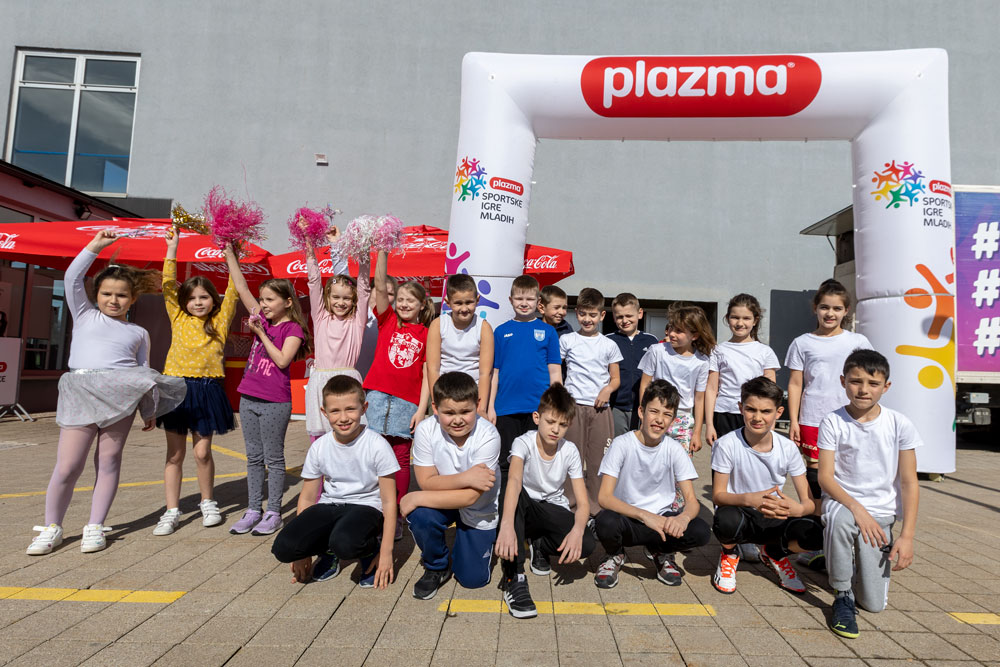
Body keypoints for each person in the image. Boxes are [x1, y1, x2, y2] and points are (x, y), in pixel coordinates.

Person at [27, 231, 185, 555]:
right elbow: (72, 277)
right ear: (95, 294)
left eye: (122, 295)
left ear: (133, 298)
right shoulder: (84, 315)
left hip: (121, 398)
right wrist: (95, 247)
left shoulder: (138, 332)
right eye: (107, 294)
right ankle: (51, 527)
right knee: (68, 465)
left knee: (109, 460)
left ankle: (95, 525)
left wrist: (149, 409)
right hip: (80, 394)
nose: (114, 300)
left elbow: (143, 373)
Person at [818, 349, 920, 639]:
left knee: (874, 605)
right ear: (843, 381)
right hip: (842, 503)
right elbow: (825, 477)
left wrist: (907, 536)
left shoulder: (899, 423)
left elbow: (909, 482)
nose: (863, 389)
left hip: (881, 513)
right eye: (856, 381)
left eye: (873, 383)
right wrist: (857, 509)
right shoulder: (833, 421)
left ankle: (840, 561)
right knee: (840, 522)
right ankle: (842, 593)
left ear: (886, 386)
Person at [270, 376, 398, 589]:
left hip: (366, 507)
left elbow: (389, 501)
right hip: (330, 505)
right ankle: (328, 553)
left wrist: (386, 552)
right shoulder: (319, 447)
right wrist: (302, 550)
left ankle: (369, 551)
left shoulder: (377, 445)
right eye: (335, 411)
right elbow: (308, 497)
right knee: (285, 547)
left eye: (350, 409)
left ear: (364, 408)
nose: (343, 418)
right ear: (324, 412)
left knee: (345, 543)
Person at [153, 227, 239, 536]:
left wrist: (232, 254)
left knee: (202, 453)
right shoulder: (178, 317)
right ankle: (171, 510)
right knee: (175, 455)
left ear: (214, 301)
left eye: (204, 297)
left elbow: (234, 289)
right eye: (191, 298)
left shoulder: (220, 320)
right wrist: (172, 249)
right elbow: (167, 284)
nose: (198, 302)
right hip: (176, 389)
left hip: (207, 390)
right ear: (183, 301)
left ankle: (208, 502)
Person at [785, 279, 872, 570]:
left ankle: (845, 545)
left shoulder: (858, 342)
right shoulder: (802, 343)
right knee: (817, 485)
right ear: (815, 309)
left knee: (848, 479)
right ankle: (817, 546)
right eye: (824, 307)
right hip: (813, 421)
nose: (830, 313)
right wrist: (794, 420)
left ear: (846, 311)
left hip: (850, 421)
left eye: (836, 308)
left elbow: (870, 380)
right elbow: (795, 384)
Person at [593, 380, 711, 589]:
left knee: (700, 530)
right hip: (628, 518)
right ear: (641, 412)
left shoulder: (674, 449)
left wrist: (683, 518)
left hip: (661, 521)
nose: (659, 420)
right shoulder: (622, 444)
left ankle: (660, 552)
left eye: (667, 414)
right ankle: (614, 554)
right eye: (654, 411)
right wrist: (645, 516)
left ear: (673, 420)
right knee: (605, 521)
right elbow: (604, 497)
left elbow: (692, 501)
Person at [710, 377, 823, 595]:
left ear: (778, 413)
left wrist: (798, 509)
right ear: (740, 408)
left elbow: (809, 503)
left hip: (773, 514)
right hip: (741, 512)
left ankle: (775, 553)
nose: (758, 417)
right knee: (725, 521)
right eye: (751, 409)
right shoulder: (726, 444)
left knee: (816, 533)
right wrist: (750, 499)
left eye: (766, 411)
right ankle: (729, 553)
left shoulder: (788, 448)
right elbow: (718, 495)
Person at [225, 245, 308, 536]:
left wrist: (261, 333)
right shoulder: (261, 317)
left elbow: (283, 360)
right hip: (248, 397)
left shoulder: (292, 329)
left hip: (275, 401)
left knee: (273, 458)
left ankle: (273, 512)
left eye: (270, 299)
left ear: (287, 301)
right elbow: (241, 287)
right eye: (262, 299)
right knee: (253, 458)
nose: (264, 304)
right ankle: (252, 510)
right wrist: (229, 252)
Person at [494, 383, 595, 618]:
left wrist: (578, 531)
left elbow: (583, 503)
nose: (555, 429)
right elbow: (515, 480)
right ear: (537, 418)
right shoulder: (523, 442)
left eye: (562, 424)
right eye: (550, 422)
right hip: (525, 508)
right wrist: (506, 525)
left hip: (551, 509)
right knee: (511, 488)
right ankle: (514, 576)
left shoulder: (569, 450)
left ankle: (540, 544)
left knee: (587, 544)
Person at [402, 372, 501, 600]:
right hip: (445, 499)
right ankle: (437, 565)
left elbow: (470, 498)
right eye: (449, 413)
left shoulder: (488, 435)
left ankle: (469, 545)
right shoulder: (426, 429)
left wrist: (416, 497)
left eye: (465, 411)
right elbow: (426, 481)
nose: (457, 420)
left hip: (478, 508)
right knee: (421, 516)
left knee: (472, 580)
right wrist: (467, 478)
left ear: (477, 405)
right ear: (435, 408)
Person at [362, 250, 434, 539]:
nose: (403, 304)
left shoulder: (428, 333)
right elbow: (380, 286)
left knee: (401, 459)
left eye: (410, 300)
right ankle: (373, 509)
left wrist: (422, 409)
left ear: (421, 305)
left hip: (407, 404)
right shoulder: (388, 319)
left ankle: (398, 516)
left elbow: (428, 374)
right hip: (377, 398)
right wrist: (382, 251)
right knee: (373, 456)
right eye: (400, 299)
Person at [489, 275, 562, 497]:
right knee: (506, 461)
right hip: (505, 409)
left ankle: (533, 508)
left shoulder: (548, 332)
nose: (524, 303)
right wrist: (490, 407)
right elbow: (494, 373)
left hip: (538, 409)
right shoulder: (500, 331)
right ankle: (506, 506)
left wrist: (557, 405)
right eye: (519, 298)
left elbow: (555, 371)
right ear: (510, 300)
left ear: (538, 302)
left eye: (529, 299)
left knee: (536, 461)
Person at [302, 224, 370, 443]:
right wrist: (309, 243)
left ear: (354, 301)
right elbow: (314, 282)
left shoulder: (356, 320)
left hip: (348, 381)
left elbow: (364, 286)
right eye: (336, 297)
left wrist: (363, 250)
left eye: (347, 298)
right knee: (320, 440)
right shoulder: (321, 317)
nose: (341, 302)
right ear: (328, 298)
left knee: (351, 438)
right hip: (320, 381)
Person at [559, 288, 622, 515]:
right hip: (573, 408)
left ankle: (596, 508)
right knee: (571, 457)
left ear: (602, 315)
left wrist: (607, 390)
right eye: (583, 314)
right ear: (576, 313)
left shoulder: (609, 345)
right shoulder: (567, 340)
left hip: (600, 409)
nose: (587, 319)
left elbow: (616, 378)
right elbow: (555, 371)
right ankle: (570, 505)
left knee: (598, 461)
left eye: (593, 315)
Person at [638, 304, 715, 456]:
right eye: (671, 328)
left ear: (694, 335)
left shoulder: (702, 362)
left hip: (683, 421)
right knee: (651, 461)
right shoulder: (657, 351)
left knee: (680, 465)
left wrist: (697, 433)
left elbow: (699, 398)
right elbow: (644, 385)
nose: (672, 333)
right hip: (655, 414)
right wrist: (644, 415)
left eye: (679, 331)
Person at [705, 294, 780, 445]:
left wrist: (771, 424)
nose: (740, 323)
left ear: (755, 320)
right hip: (724, 413)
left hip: (754, 413)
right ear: (728, 318)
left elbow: (771, 392)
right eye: (735, 317)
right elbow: (711, 389)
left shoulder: (765, 352)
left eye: (746, 318)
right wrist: (709, 425)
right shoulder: (718, 350)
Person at [426, 273, 494, 419]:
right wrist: (436, 402)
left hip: (472, 395)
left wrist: (481, 407)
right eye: (458, 303)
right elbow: (433, 369)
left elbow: (485, 373)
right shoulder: (438, 325)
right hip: (443, 392)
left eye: (469, 302)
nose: (464, 308)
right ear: (447, 302)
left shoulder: (484, 328)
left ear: (477, 300)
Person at [607, 292, 659, 437]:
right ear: (614, 317)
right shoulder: (608, 341)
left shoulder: (651, 341)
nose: (625, 320)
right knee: (617, 445)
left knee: (640, 445)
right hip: (616, 407)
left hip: (643, 406)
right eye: (620, 317)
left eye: (629, 315)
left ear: (640, 313)